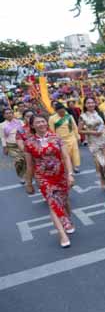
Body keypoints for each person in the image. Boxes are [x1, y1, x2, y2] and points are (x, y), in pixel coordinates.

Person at [24, 114, 76, 248]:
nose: (41, 124)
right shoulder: (29, 143)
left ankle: (67, 219)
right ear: (32, 125)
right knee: (53, 203)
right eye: (38, 122)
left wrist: (70, 174)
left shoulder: (56, 138)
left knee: (64, 201)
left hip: (61, 174)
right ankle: (62, 234)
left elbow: (66, 157)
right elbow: (29, 165)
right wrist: (28, 183)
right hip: (43, 177)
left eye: (43, 121)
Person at [78, 96, 105, 188]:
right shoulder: (83, 116)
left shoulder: (101, 113)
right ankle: (102, 178)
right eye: (88, 103)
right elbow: (79, 131)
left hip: (104, 139)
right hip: (93, 142)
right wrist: (92, 132)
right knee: (100, 163)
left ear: (95, 103)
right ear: (85, 105)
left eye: (92, 102)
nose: (91, 104)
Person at [48, 103, 81, 173]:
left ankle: (75, 166)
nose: (62, 113)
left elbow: (74, 127)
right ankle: (68, 167)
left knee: (74, 152)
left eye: (63, 111)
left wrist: (77, 136)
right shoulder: (52, 118)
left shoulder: (69, 116)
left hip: (71, 137)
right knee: (65, 155)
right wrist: (53, 140)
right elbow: (52, 130)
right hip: (61, 140)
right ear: (56, 111)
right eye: (60, 112)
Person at [1, 107, 26, 182]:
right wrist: (4, 147)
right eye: (7, 113)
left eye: (10, 113)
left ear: (13, 114)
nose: (9, 115)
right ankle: (21, 176)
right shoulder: (2, 125)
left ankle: (27, 174)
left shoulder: (20, 122)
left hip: (22, 144)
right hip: (12, 146)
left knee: (25, 160)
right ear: (4, 115)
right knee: (18, 161)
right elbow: (2, 137)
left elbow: (24, 132)